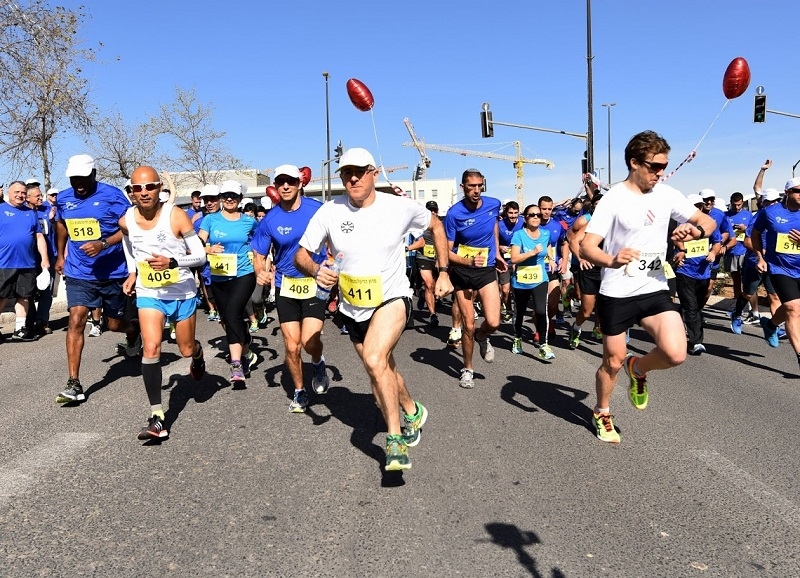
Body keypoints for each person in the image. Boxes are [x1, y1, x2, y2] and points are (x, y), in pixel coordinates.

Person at [295, 147, 453, 471]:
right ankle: (412, 410)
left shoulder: (399, 207)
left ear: (373, 173)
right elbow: (301, 254)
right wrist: (314, 269)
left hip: (392, 298)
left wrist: (444, 271)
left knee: (374, 358)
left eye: (359, 171)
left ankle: (394, 442)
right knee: (381, 368)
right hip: (353, 308)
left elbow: (436, 227)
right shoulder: (329, 211)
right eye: (345, 173)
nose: (352, 178)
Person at [580, 130, 717, 444]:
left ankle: (638, 368)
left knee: (675, 353)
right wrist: (612, 260)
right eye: (654, 166)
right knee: (611, 362)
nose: (660, 172)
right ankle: (602, 411)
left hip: (653, 285)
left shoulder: (667, 194)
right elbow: (588, 247)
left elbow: (708, 223)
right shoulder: (613, 198)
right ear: (634, 163)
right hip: (616, 291)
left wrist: (694, 230)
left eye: (664, 165)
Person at [120, 166, 207, 440]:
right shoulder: (128, 218)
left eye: (149, 187)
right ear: (131, 192)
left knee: (185, 348)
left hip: (181, 292)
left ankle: (198, 354)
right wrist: (132, 270)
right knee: (151, 346)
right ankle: (157, 416)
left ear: (159, 188)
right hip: (150, 293)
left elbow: (201, 256)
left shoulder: (176, 215)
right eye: (137, 188)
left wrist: (173, 261)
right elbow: (126, 240)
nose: (144, 192)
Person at [54, 154, 141, 404]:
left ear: (93, 174)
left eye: (83, 178)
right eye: (74, 179)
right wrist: (61, 255)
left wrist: (103, 243)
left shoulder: (113, 196)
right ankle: (74, 382)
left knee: (113, 324)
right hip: (79, 271)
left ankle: (133, 331)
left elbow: (128, 228)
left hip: (113, 271)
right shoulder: (63, 198)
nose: (78, 183)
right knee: (76, 317)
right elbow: (61, 225)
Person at [252, 164, 329, 413]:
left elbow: (335, 238)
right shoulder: (270, 219)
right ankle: (299, 391)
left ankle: (317, 362)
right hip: (285, 285)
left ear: (300, 184)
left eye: (291, 181)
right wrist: (260, 271)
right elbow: (258, 252)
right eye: (280, 182)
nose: (285, 186)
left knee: (309, 342)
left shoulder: (317, 210)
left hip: (314, 284)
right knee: (292, 345)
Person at [444, 168, 507, 389]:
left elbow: (494, 227)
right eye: (472, 186)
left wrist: (497, 252)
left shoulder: (493, 204)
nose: (477, 190)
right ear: (463, 188)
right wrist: (467, 262)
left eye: (480, 185)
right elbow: (447, 252)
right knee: (468, 325)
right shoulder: (454, 214)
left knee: (493, 321)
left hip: (487, 269)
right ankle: (468, 369)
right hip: (463, 272)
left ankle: (483, 336)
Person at [198, 180, 258, 386]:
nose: (229, 199)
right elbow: (197, 245)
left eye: (233, 195)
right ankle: (247, 348)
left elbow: (260, 244)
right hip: (219, 276)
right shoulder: (210, 220)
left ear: (240, 199)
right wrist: (207, 249)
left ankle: (236, 364)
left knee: (232, 313)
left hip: (244, 274)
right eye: (225, 196)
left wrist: (264, 264)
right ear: (221, 198)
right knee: (227, 319)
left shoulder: (249, 222)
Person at [751, 177, 800, 363]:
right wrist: (760, 257)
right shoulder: (770, 212)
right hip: (780, 268)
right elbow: (755, 233)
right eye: (798, 191)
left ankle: (771, 324)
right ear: (787, 192)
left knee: (791, 308)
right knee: (793, 307)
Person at [0, 181, 50, 342]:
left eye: (23, 193)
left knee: (24, 297)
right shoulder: (1, 209)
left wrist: (44, 259)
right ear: (9, 192)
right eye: (17, 192)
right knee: (1, 297)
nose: (20, 195)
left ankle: (20, 329)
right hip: (4, 263)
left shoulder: (31, 213)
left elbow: (39, 236)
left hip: (27, 263)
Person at [673, 194, 723, 355]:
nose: (698, 208)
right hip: (685, 271)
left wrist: (714, 253)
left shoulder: (708, 225)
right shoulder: (681, 225)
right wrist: (679, 254)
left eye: (699, 206)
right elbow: (673, 241)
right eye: (694, 206)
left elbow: (717, 242)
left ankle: (679, 321)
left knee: (696, 306)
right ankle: (696, 342)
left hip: (703, 273)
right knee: (691, 307)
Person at [730, 188, 783, 333]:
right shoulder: (758, 218)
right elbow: (747, 242)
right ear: (763, 202)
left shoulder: (779, 216)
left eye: (775, 201)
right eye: (769, 201)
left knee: (773, 295)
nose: (773, 204)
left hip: (773, 264)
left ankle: (775, 327)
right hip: (755, 263)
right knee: (748, 293)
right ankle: (736, 314)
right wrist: (762, 252)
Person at [509, 204, 553, 359]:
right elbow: (514, 258)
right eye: (532, 214)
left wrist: (551, 258)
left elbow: (548, 247)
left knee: (541, 311)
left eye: (538, 215)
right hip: (521, 280)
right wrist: (533, 252)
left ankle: (543, 344)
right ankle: (518, 338)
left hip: (540, 278)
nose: (536, 217)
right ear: (525, 217)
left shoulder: (546, 233)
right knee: (520, 313)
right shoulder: (519, 235)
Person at [567, 192, 604, 348]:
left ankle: (599, 330)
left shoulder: (617, 222)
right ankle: (576, 328)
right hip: (589, 269)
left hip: (608, 270)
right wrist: (580, 258)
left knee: (603, 307)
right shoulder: (589, 222)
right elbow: (574, 240)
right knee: (587, 310)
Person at [25, 184, 58, 336]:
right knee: (28, 292)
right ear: (28, 197)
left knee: (47, 291)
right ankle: (29, 322)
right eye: (37, 196)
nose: (40, 198)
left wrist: (52, 220)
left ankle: (42, 321)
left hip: (48, 257)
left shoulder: (48, 210)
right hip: (30, 259)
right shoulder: (23, 213)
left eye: (41, 195)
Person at [407, 200, 442, 327]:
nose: (433, 212)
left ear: (437, 211)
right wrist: (407, 248)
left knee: (438, 289)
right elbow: (419, 241)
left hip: (438, 259)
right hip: (423, 258)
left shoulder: (442, 225)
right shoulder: (420, 226)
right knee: (429, 284)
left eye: (434, 210)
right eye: (430, 210)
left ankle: (422, 294)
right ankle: (433, 315)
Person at [538, 195, 569, 333]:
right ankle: (540, 328)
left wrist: (564, 260)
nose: (546, 212)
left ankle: (548, 321)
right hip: (534, 270)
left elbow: (564, 243)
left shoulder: (557, 225)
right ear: (538, 208)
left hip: (552, 269)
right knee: (539, 307)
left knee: (553, 304)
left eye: (549, 209)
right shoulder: (530, 223)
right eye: (544, 209)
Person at [698, 189, 734, 306]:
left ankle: (698, 311)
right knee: (694, 288)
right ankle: (691, 313)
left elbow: (727, 232)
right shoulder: (693, 213)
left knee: (708, 288)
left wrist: (718, 244)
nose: (709, 202)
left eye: (711, 199)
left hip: (713, 258)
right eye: (706, 200)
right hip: (695, 257)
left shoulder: (719, 214)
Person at [193, 185, 221, 322]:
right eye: (206, 200)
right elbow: (191, 247)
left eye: (213, 199)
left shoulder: (232, 218)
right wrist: (206, 250)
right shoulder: (199, 222)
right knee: (211, 295)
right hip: (208, 266)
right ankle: (212, 309)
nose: (209, 203)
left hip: (231, 268)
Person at [724, 191, 753, 308]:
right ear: (730, 203)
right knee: (736, 279)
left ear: (742, 203)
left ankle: (750, 306)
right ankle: (737, 304)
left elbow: (753, 232)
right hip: (731, 251)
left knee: (747, 279)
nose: (737, 207)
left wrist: (745, 228)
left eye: (739, 205)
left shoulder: (749, 215)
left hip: (745, 251)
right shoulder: (725, 215)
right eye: (734, 205)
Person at [497, 201, 523, 323]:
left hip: (520, 261)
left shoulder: (523, 222)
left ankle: (518, 311)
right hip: (505, 262)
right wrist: (500, 247)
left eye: (515, 213)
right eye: (510, 213)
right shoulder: (499, 225)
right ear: (506, 213)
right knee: (505, 290)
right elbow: (492, 241)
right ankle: (508, 310)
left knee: (519, 290)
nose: (513, 216)